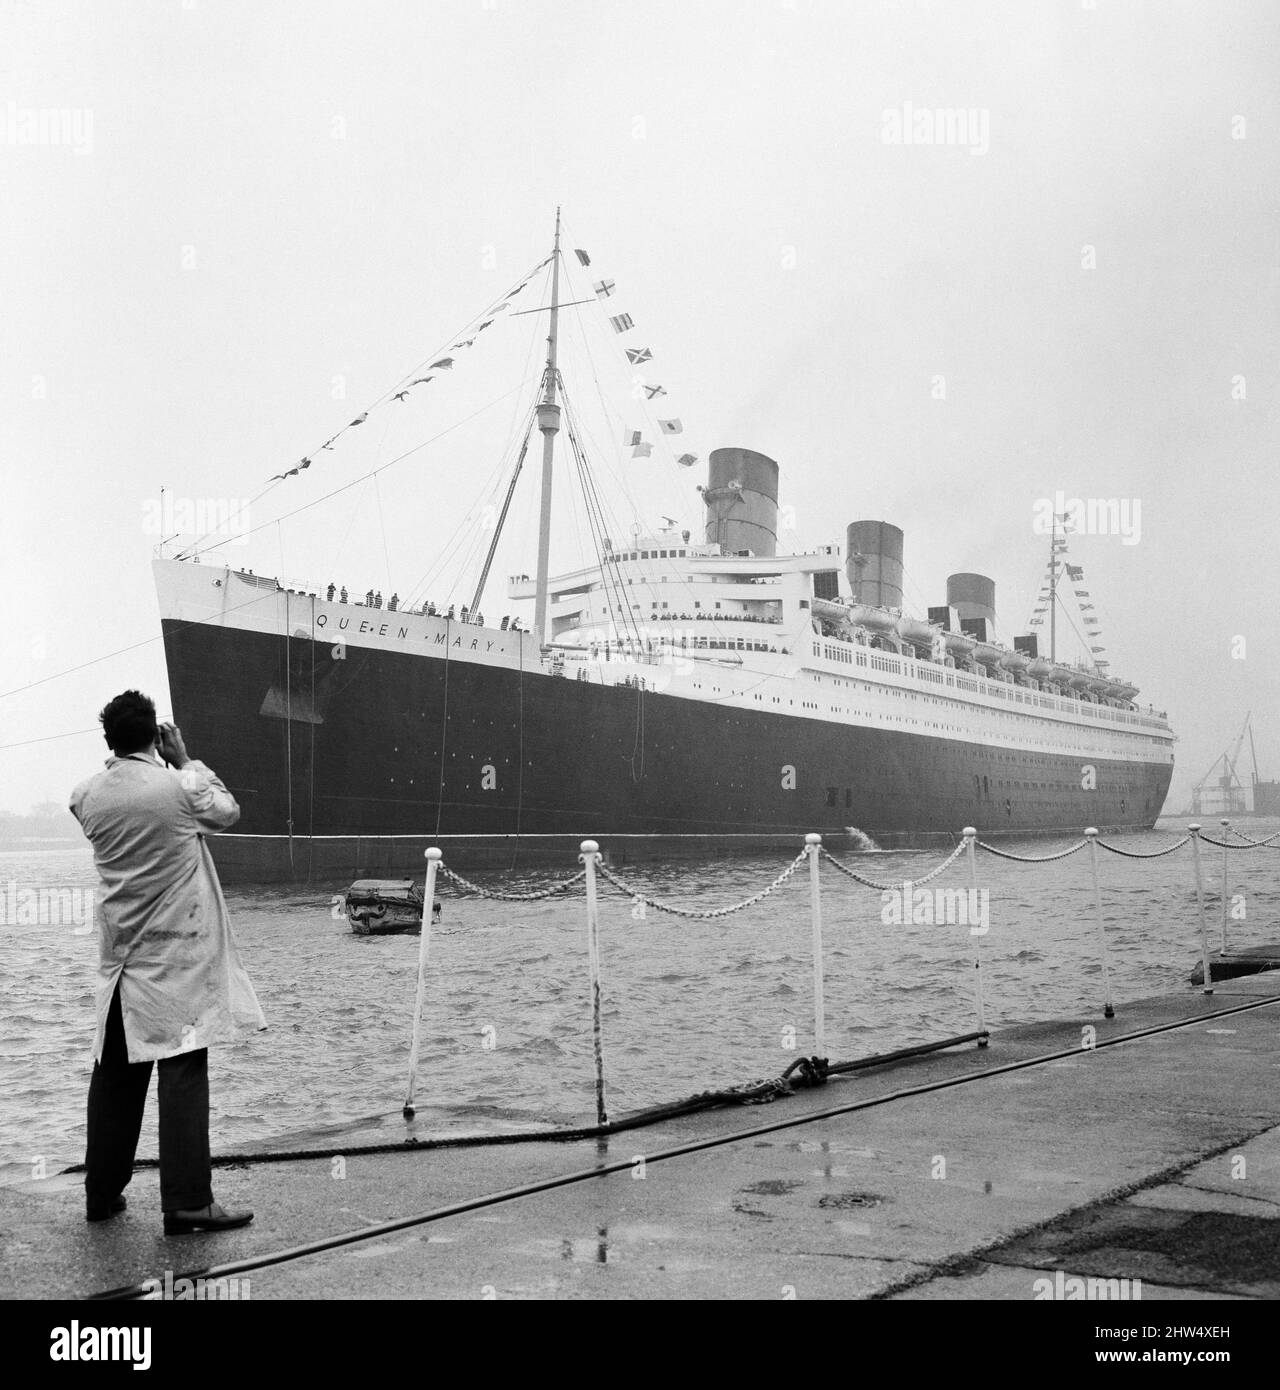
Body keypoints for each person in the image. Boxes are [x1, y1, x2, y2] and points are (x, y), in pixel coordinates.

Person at [69, 690, 265, 1235]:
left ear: (108, 737)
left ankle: (101, 1194)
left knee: (114, 1077)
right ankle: (187, 1203)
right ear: (155, 734)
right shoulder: (177, 788)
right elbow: (227, 810)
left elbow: (89, 801)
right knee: (182, 1071)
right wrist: (183, 758)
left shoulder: (86, 796)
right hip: (177, 958)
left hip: (121, 961)